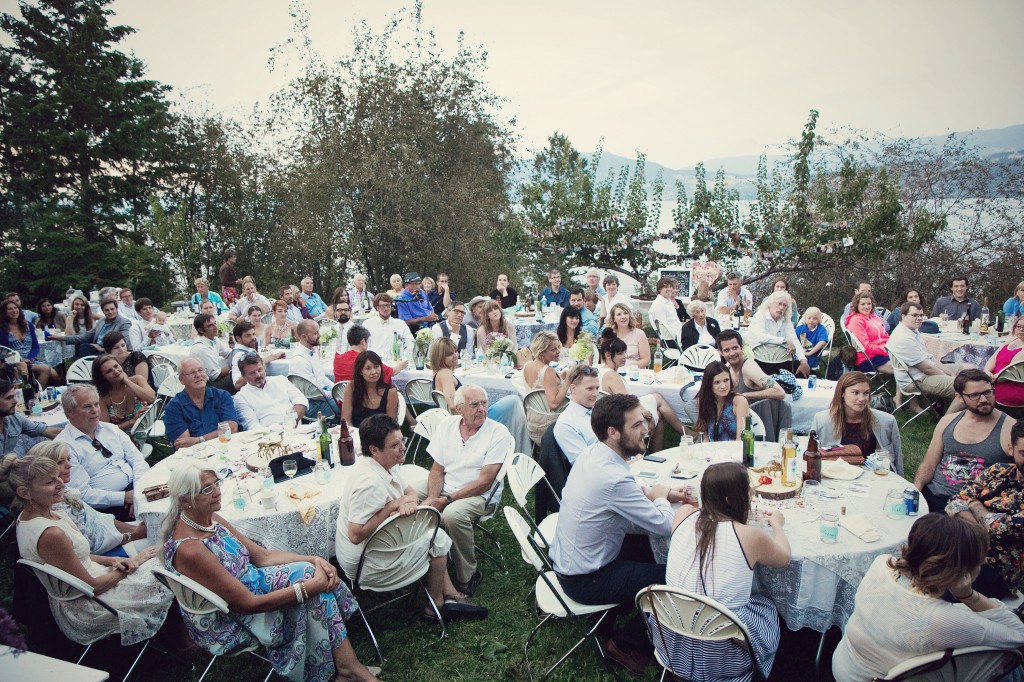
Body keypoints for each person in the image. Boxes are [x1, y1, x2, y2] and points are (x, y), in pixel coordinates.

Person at [161, 461, 379, 682]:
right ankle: (348, 669)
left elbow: (263, 557)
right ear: (184, 500)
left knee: (310, 572)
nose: (217, 492)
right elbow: (247, 604)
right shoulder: (191, 549)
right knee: (312, 586)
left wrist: (315, 560)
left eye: (216, 483)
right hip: (229, 619)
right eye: (207, 489)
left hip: (250, 589)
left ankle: (347, 670)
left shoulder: (210, 518)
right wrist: (310, 586)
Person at [550, 393, 693, 676]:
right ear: (613, 432)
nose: (647, 429)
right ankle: (625, 644)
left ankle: (610, 619)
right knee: (679, 579)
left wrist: (654, 494)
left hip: (569, 562)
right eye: (637, 424)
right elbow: (665, 524)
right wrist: (663, 496)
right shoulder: (613, 477)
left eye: (645, 422)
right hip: (586, 579)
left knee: (648, 548)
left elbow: (625, 495)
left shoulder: (596, 452)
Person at [1, 452, 171, 648]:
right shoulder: (50, 534)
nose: (61, 483)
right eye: (50, 482)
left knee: (164, 556)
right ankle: (181, 643)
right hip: (91, 604)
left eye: (58, 477)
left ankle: (172, 633)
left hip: (94, 581)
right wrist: (134, 564)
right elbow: (92, 587)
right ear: (24, 493)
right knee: (169, 565)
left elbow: (73, 557)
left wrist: (111, 561)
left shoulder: (38, 515)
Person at [832, 512, 1024, 682]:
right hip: (873, 677)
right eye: (979, 561)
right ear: (961, 571)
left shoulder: (881, 564)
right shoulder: (943, 619)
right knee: (1009, 666)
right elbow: (1018, 633)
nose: (983, 563)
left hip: (845, 661)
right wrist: (969, 596)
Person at [335, 415, 487, 621]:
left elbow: (410, 492)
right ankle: (436, 606)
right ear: (374, 450)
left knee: (431, 534)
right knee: (438, 538)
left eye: (402, 441)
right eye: (395, 445)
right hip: (366, 562)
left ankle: (450, 596)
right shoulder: (368, 483)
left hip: (377, 544)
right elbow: (355, 534)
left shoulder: (387, 462)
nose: (402, 448)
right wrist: (391, 507)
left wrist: (408, 501)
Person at [659, 462, 790, 681]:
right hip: (722, 651)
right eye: (747, 489)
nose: (752, 493)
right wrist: (777, 524)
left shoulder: (683, 514)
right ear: (730, 499)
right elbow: (784, 558)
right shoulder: (749, 535)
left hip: (673, 637)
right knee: (766, 605)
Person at [412, 385, 513, 596]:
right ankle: (411, 556)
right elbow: (437, 469)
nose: (482, 409)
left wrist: (446, 500)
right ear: (459, 409)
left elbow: (485, 482)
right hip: (446, 485)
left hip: (478, 495)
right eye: (474, 404)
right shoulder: (447, 426)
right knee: (407, 493)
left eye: (484, 403)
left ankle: (468, 574)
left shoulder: (497, 433)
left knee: (452, 515)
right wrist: (432, 498)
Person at [946, 419, 1024, 599]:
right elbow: (954, 501)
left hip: (995, 568)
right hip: (959, 548)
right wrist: (984, 522)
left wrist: (974, 504)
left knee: (939, 591)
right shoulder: (998, 470)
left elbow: (1001, 528)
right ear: (1010, 449)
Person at [915, 370, 1013, 511]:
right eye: (974, 395)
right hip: (934, 496)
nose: (984, 399)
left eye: (987, 392)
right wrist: (916, 489)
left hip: (975, 506)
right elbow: (929, 464)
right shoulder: (947, 422)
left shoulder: (1010, 429)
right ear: (959, 397)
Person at [34, 441, 147, 557]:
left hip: (114, 537)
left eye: (68, 459)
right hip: (107, 553)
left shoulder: (66, 492)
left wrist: (134, 529)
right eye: (60, 462)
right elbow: (89, 548)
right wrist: (133, 535)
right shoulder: (57, 507)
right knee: (160, 542)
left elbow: (101, 519)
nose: (69, 465)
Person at [54, 384, 149, 520]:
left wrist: (138, 492)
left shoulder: (111, 429)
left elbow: (137, 459)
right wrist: (124, 498)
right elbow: (82, 494)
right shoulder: (64, 446)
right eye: (87, 406)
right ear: (70, 412)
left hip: (137, 488)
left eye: (96, 404)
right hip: (107, 507)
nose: (95, 410)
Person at [430, 337, 530, 454]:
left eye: (455, 351)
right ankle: (521, 450)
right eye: (450, 354)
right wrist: (471, 423)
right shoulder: (445, 373)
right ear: (440, 357)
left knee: (512, 404)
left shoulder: (440, 373)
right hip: (471, 419)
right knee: (514, 401)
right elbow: (453, 405)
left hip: (470, 416)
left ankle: (513, 448)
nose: (455, 355)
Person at [596, 330, 687, 451]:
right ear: (608, 355)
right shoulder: (611, 375)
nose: (625, 356)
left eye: (624, 352)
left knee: (657, 400)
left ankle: (660, 449)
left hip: (617, 412)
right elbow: (627, 403)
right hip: (622, 416)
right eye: (620, 353)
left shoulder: (602, 370)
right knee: (658, 403)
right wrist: (646, 415)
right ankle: (686, 434)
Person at [886, 302, 970, 414]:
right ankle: (947, 421)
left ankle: (944, 403)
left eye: (921, 315)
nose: (919, 318)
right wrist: (948, 377)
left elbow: (929, 357)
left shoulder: (912, 331)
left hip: (925, 371)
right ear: (903, 316)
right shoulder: (904, 338)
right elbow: (926, 369)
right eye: (914, 315)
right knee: (966, 387)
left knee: (970, 368)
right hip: (916, 379)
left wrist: (950, 372)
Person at [811, 371, 903, 472]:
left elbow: (897, 463)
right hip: (835, 475)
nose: (862, 399)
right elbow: (811, 457)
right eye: (855, 393)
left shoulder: (886, 421)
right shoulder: (822, 420)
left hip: (873, 476)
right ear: (842, 393)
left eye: (866, 393)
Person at [164, 358, 239, 450]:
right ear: (181, 380)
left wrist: (198, 440)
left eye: (200, 370)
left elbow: (232, 428)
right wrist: (219, 434)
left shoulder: (222, 396)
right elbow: (184, 445)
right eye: (192, 372)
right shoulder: (173, 408)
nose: (198, 375)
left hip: (225, 448)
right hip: (194, 456)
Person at [746, 291, 811, 377]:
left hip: (780, 361)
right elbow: (760, 337)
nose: (781, 308)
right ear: (770, 303)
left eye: (785, 305)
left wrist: (803, 361)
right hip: (758, 361)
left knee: (805, 372)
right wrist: (784, 341)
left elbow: (794, 340)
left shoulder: (786, 321)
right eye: (779, 304)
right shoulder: (760, 316)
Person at [234, 354, 308, 429]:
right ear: (243, 376)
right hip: (269, 438)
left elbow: (301, 400)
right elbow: (253, 427)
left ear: (264, 367)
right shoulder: (241, 397)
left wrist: (292, 421)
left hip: (296, 430)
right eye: (252, 373)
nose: (258, 375)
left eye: (260, 370)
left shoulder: (281, 380)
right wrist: (281, 428)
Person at [521, 331, 570, 444]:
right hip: (550, 425)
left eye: (558, 347)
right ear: (541, 352)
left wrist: (560, 377)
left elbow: (540, 386)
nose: (558, 351)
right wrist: (568, 380)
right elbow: (553, 405)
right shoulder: (548, 371)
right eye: (553, 349)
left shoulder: (528, 365)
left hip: (533, 421)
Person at [0, 299, 60, 387]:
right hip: (13, 362)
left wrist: (29, 357)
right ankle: (36, 395)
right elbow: (4, 351)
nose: (14, 310)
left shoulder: (28, 325)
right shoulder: (2, 329)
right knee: (45, 370)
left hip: (30, 359)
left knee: (54, 375)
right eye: (10, 309)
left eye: (15, 308)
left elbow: (35, 347)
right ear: (4, 312)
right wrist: (20, 360)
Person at [52, 297, 134, 358]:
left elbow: (124, 344)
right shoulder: (102, 321)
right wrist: (61, 338)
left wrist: (102, 349)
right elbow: (84, 337)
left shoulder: (123, 322)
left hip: (111, 353)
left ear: (116, 309)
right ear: (103, 311)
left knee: (85, 349)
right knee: (83, 345)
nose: (110, 312)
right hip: (95, 350)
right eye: (107, 310)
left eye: (112, 309)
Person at [92, 353, 155, 433]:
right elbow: (105, 428)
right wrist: (132, 422)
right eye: (109, 371)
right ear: (102, 377)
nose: (115, 371)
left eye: (116, 366)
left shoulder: (137, 380)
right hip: (119, 436)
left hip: (144, 431)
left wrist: (127, 381)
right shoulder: (103, 397)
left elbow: (151, 398)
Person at [552, 365, 600, 464]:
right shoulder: (567, 424)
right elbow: (585, 466)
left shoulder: (598, 410)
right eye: (590, 389)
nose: (596, 394)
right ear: (573, 389)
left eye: (597, 388)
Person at [0, 378, 61, 455]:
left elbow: (46, 431)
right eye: (9, 398)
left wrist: (74, 436)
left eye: (14, 396)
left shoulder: (14, 418)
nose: (15, 401)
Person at [693, 361, 749, 442]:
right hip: (711, 452)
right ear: (708, 384)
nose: (723, 386)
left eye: (726, 380)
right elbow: (706, 439)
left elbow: (741, 439)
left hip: (735, 451)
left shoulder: (739, 401)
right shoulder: (704, 402)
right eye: (717, 382)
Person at [341, 351, 398, 430]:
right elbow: (346, 420)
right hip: (356, 435)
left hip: (381, 436)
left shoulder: (390, 391)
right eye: (368, 368)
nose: (374, 372)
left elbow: (390, 425)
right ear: (361, 371)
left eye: (376, 366)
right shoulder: (352, 387)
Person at [291, 320, 336, 418]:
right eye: (315, 333)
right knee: (348, 406)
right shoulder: (299, 360)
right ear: (303, 336)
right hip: (311, 404)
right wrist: (334, 395)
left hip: (321, 397)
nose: (319, 335)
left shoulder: (313, 351)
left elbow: (322, 378)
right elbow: (313, 393)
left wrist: (336, 389)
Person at [844, 292, 894, 375]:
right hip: (867, 358)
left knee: (907, 362)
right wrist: (885, 349)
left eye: (869, 304)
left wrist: (892, 346)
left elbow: (886, 336)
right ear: (857, 305)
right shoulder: (855, 320)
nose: (866, 307)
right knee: (901, 369)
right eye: (863, 304)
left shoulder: (875, 317)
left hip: (884, 352)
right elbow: (865, 347)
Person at [229, 320, 285, 391]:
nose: (253, 338)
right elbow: (237, 384)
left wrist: (273, 357)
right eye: (248, 336)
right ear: (238, 338)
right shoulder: (239, 355)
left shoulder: (249, 349)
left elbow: (258, 360)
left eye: (253, 334)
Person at [334, 325, 401, 385]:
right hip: (362, 397)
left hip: (341, 396)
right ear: (363, 341)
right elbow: (392, 372)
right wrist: (401, 366)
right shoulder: (366, 360)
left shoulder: (338, 358)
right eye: (368, 341)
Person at [362, 293, 414, 363]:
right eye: (382, 306)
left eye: (388, 305)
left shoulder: (400, 324)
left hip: (396, 362)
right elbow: (364, 345)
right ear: (377, 307)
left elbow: (410, 342)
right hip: (374, 362)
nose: (386, 308)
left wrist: (403, 356)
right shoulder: (367, 324)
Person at [189, 313, 233, 392]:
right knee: (242, 376)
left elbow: (228, 352)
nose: (215, 327)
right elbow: (215, 376)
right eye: (210, 326)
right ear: (201, 330)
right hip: (206, 387)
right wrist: (235, 364)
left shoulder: (214, 339)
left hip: (212, 381)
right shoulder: (202, 349)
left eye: (215, 323)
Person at [987, 315, 1024, 406]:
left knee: (971, 389)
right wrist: (986, 371)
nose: (1021, 329)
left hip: (1009, 384)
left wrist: (985, 379)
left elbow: (1008, 373)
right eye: (1018, 326)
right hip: (993, 377)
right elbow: (994, 358)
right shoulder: (1013, 340)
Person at [606, 302, 650, 368]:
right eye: (619, 314)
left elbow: (646, 360)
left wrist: (628, 367)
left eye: (625, 313)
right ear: (614, 319)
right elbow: (605, 359)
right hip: (614, 371)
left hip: (635, 372)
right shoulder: (609, 335)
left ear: (629, 316)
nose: (623, 317)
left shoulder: (639, 334)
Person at [648, 277, 689, 343]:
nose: (669, 289)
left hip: (679, 335)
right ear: (659, 289)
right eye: (666, 287)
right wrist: (680, 335)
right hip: (673, 340)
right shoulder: (659, 304)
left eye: (670, 287)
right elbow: (665, 331)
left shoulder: (668, 301)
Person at [795, 306, 829, 372]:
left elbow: (823, 341)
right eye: (809, 318)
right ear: (805, 318)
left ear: (819, 319)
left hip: (813, 355)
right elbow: (793, 339)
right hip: (799, 353)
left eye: (815, 318)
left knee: (807, 370)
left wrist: (809, 353)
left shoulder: (820, 329)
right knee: (793, 364)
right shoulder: (801, 328)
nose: (811, 320)